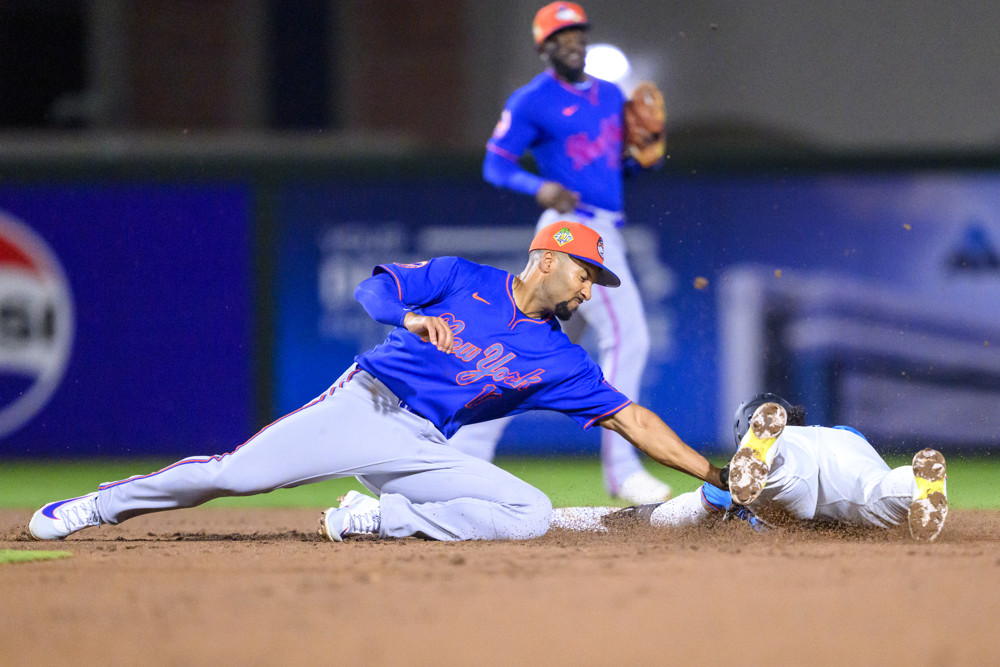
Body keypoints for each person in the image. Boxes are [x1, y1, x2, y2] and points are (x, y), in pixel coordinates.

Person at [29, 221, 726, 544]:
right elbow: (374, 290)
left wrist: (714, 473)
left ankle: (378, 519)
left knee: (529, 512)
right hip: (365, 404)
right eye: (584, 273)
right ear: (547, 260)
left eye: (596, 280)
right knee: (235, 475)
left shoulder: (561, 358)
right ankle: (99, 506)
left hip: (420, 445)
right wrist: (413, 317)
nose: (588, 290)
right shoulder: (462, 277)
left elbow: (632, 418)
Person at [449, 1, 671, 504]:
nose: (573, 44)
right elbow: (495, 165)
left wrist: (646, 154)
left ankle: (465, 451)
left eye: (578, 35)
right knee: (630, 337)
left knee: (531, 350)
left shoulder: (610, 95)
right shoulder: (532, 100)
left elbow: (619, 167)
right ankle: (623, 469)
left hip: (604, 224)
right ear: (544, 47)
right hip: (572, 229)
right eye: (561, 38)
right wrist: (539, 187)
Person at [550, 394, 950, 542]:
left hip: (787, 460)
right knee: (877, 496)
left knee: (778, 484)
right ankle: (916, 481)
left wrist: (623, 519)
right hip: (848, 452)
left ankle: (769, 456)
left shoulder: (740, 474)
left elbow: (675, 515)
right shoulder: (834, 433)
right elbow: (844, 456)